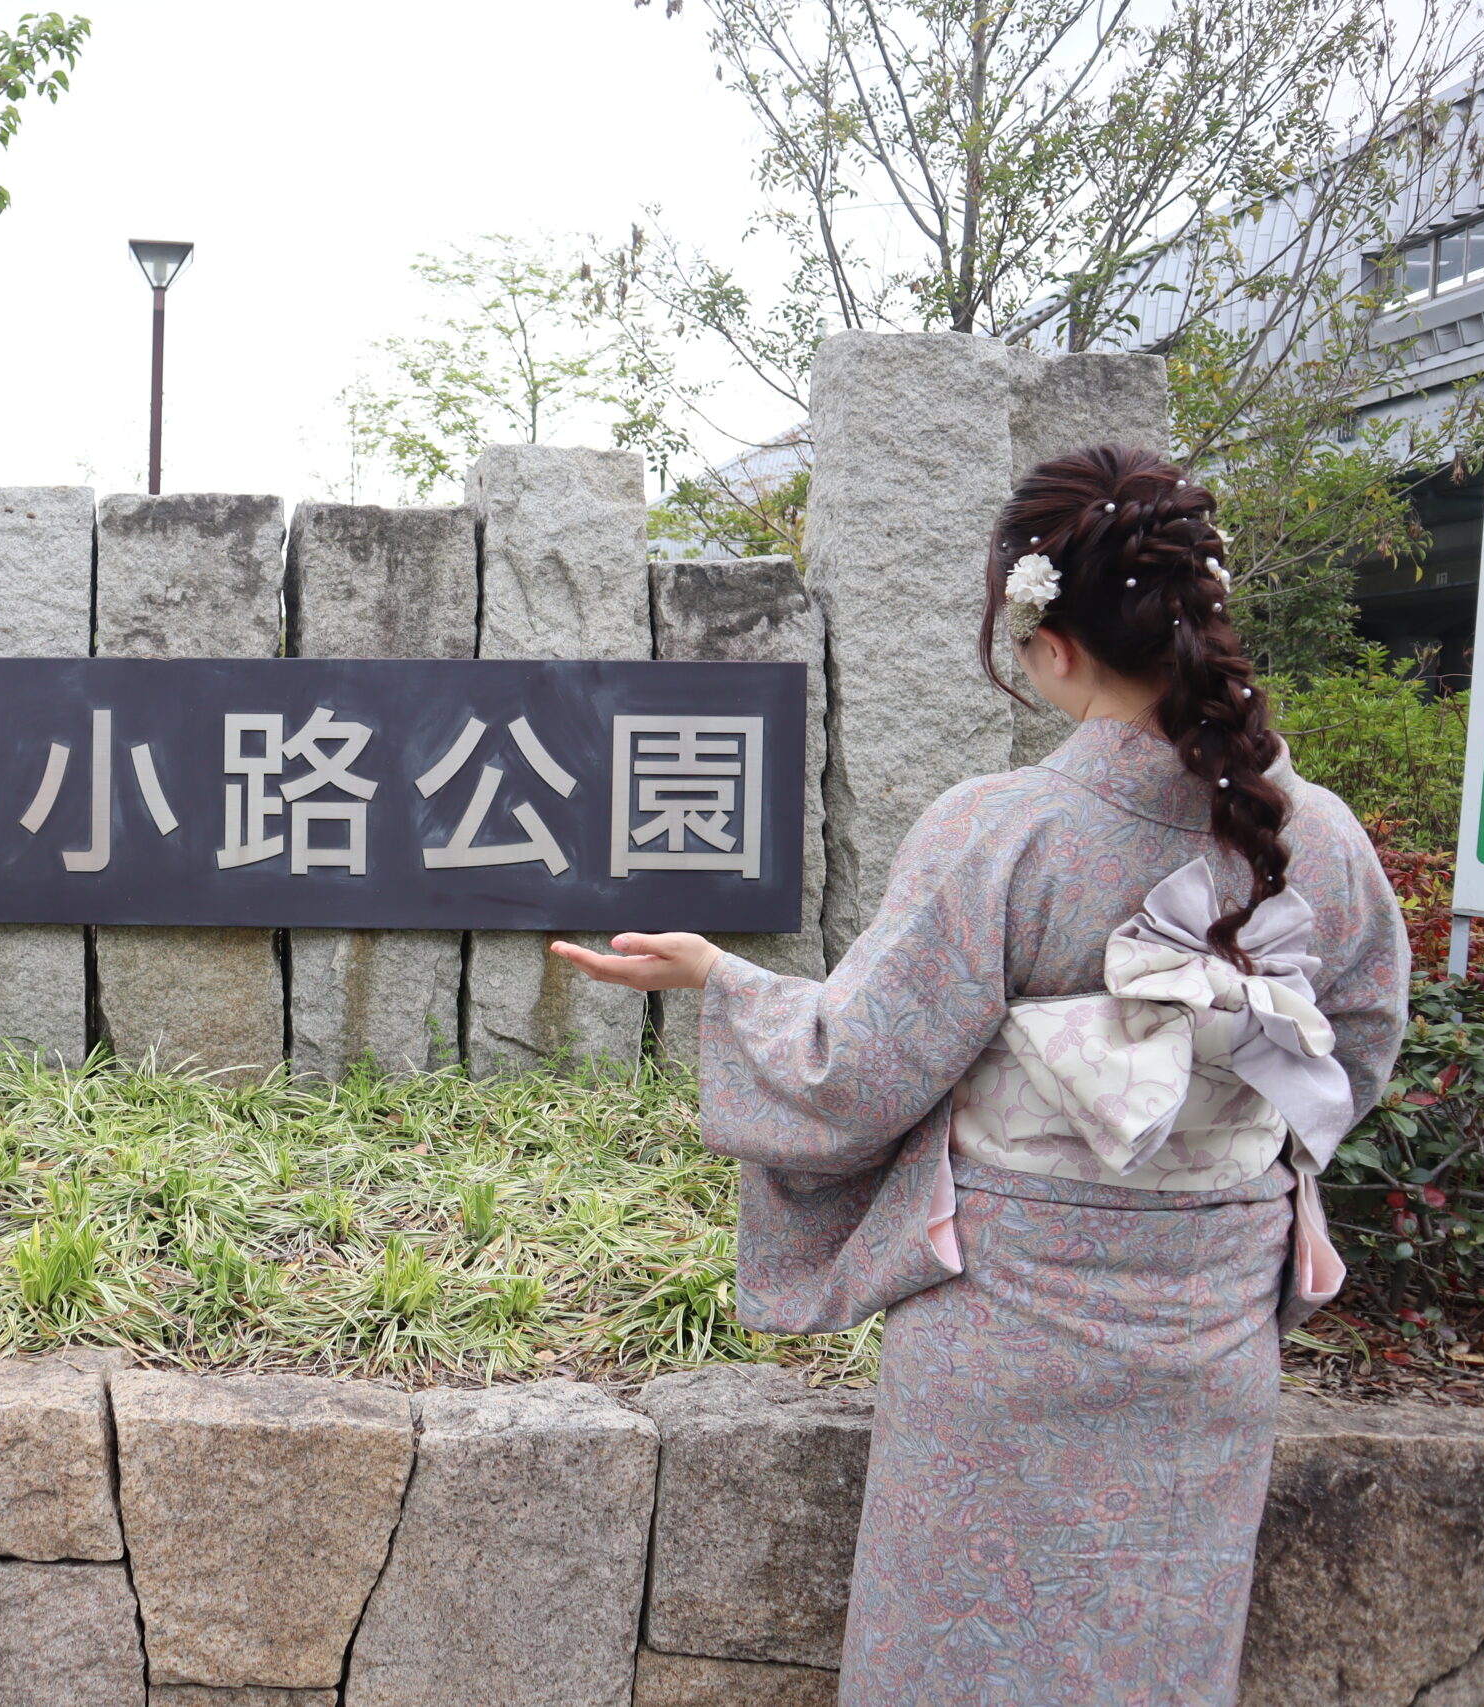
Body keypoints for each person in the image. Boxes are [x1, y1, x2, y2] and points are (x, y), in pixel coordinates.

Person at [554, 443, 1408, 1705]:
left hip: (1007, 1325)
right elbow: (1355, 1052)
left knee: (958, 1653)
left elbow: (858, 1066)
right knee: (1153, 1656)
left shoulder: (1003, 828)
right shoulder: (1315, 839)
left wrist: (723, 984)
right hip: (1211, 1321)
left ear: (1047, 641)